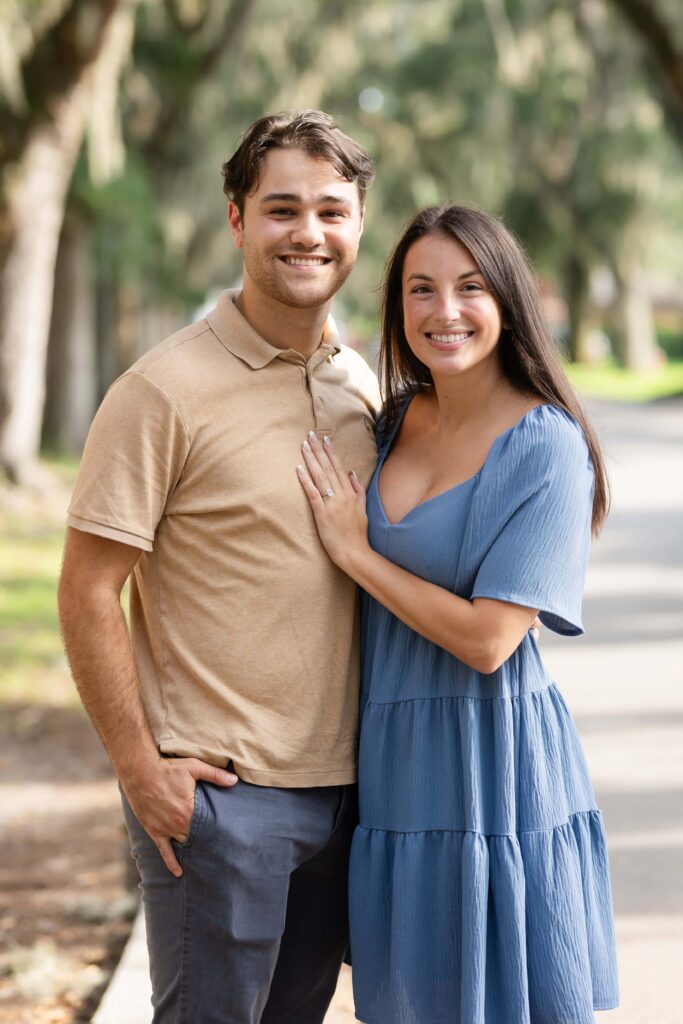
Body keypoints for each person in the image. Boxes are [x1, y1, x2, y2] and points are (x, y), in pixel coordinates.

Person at [57, 110, 381, 1024]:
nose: (308, 233)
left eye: (331, 210)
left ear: (358, 224)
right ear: (237, 219)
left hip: (346, 797)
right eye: (282, 209)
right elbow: (86, 589)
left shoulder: (356, 385)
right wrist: (137, 766)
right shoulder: (162, 391)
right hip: (222, 802)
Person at [297, 204, 620, 1024]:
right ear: (397, 307)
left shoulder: (546, 445)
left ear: (506, 299)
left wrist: (356, 553)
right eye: (421, 289)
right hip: (394, 764)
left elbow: (488, 639)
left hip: (494, 764)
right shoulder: (396, 419)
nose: (444, 311)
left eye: (469, 287)